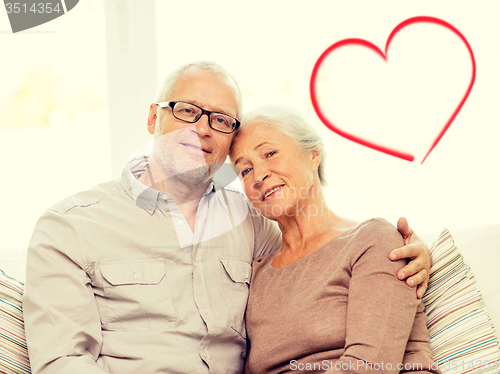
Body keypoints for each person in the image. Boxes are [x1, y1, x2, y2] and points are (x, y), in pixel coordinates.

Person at [23, 62, 431, 374]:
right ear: (153, 118)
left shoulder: (251, 224)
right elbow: (62, 361)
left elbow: (321, 256)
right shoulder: (70, 226)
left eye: (220, 120)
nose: (203, 128)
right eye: (187, 110)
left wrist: (411, 251)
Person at [229, 105, 440, 374]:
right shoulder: (256, 274)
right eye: (245, 171)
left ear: (313, 155)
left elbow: (369, 366)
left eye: (270, 153)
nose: (259, 176)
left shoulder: (373, 239)